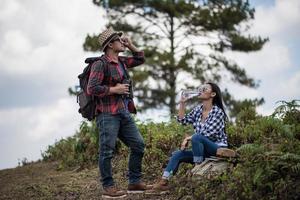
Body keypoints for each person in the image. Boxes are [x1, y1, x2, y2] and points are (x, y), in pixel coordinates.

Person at [87, 27, 148, 199]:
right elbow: (92, 88)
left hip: (123, 112)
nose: (122, 42)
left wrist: (132, 45)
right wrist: (114, 89)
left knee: (138, 145)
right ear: (110, 45)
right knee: (106, 150)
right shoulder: (100, 64)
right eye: (119, 40)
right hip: (107, 114)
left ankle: (134, 182)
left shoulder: (121, 62)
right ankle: (108, 186)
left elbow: (140, 59)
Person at [149, 82, 236, 193]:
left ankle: (197, 169)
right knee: (178, 154)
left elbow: (210, 133)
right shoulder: (198, 109)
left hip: (216, 148)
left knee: (196, 137)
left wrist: (188, 138)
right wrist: (182, 103)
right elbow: (182, 120)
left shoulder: (217, 112)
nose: (201, 90)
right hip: (201, 150)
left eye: (205, 89)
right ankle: (164, 181)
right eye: (200, 88)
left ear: (213, 94)